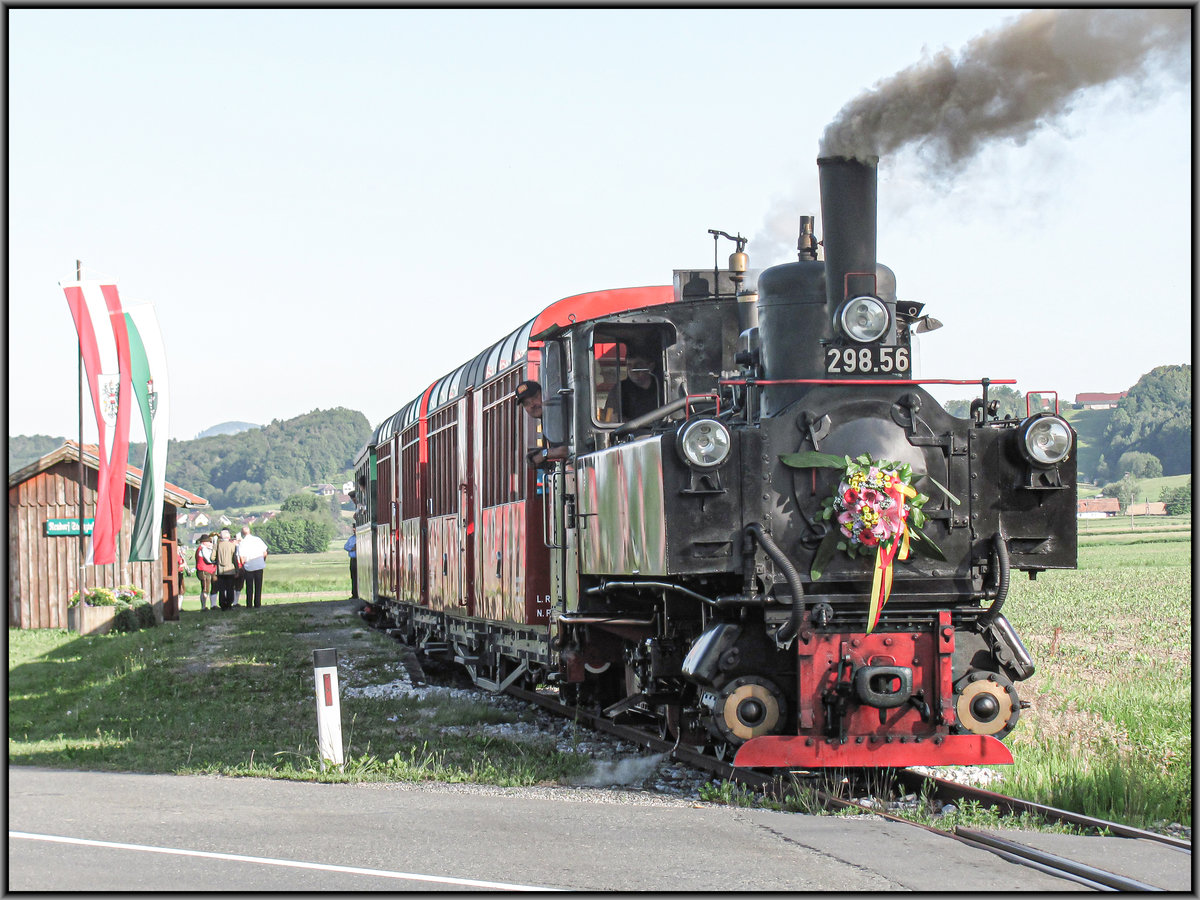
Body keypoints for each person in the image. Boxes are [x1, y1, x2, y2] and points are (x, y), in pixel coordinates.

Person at [515, 380, 569, 467]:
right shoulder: (547, 418)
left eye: (535, 397)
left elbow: (566, 450)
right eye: (527, 403)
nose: (532, 405)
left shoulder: (556, 414)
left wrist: (544, 454)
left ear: (545, 394)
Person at [604, 349, 660, 422]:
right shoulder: (619, 389)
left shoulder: (662, 387)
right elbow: (609, 418)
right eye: (629, 365)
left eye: (638, 365)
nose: (633, 369)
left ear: (651, 366)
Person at [236, 525, 269, 609]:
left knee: (249, 586)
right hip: (259, 565)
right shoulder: (258, 540)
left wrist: (242, 565)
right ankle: (257, 603)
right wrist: (262, 560)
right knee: (258, 585)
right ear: (250, 531)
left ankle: (249, 604)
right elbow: (265, 552)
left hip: (249, 566)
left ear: (243, 534)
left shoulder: (242, 543)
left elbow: (241, 557)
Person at [214, 529, 239, 610]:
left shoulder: (217, 545)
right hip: (230, 570)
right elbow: (234, 558)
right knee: (230, 588)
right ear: (228, 537)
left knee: (221, 589)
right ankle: (229, 604)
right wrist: (237, 569)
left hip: (220, 571)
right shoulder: (232, 546)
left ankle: (222, 605)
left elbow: (212, 557)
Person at [194, 534, 217, 611]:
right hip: (204, 570)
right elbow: (208, 560)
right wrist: (216, 561)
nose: (210, 543)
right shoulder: (203, 549)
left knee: (214, 587)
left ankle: (213, 605)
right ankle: (203, 606)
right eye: (209, 542)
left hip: (210, 570)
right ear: (204, 542)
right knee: (205, 588)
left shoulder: (205, 548)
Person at [344, 530, 359, 600]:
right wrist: (352, 549)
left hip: (360, 559)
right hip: (353, 559)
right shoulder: (351, 538)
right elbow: (345, 547)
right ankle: (354, 593)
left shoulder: (361, 537)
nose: (354, 530)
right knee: (353, 577)